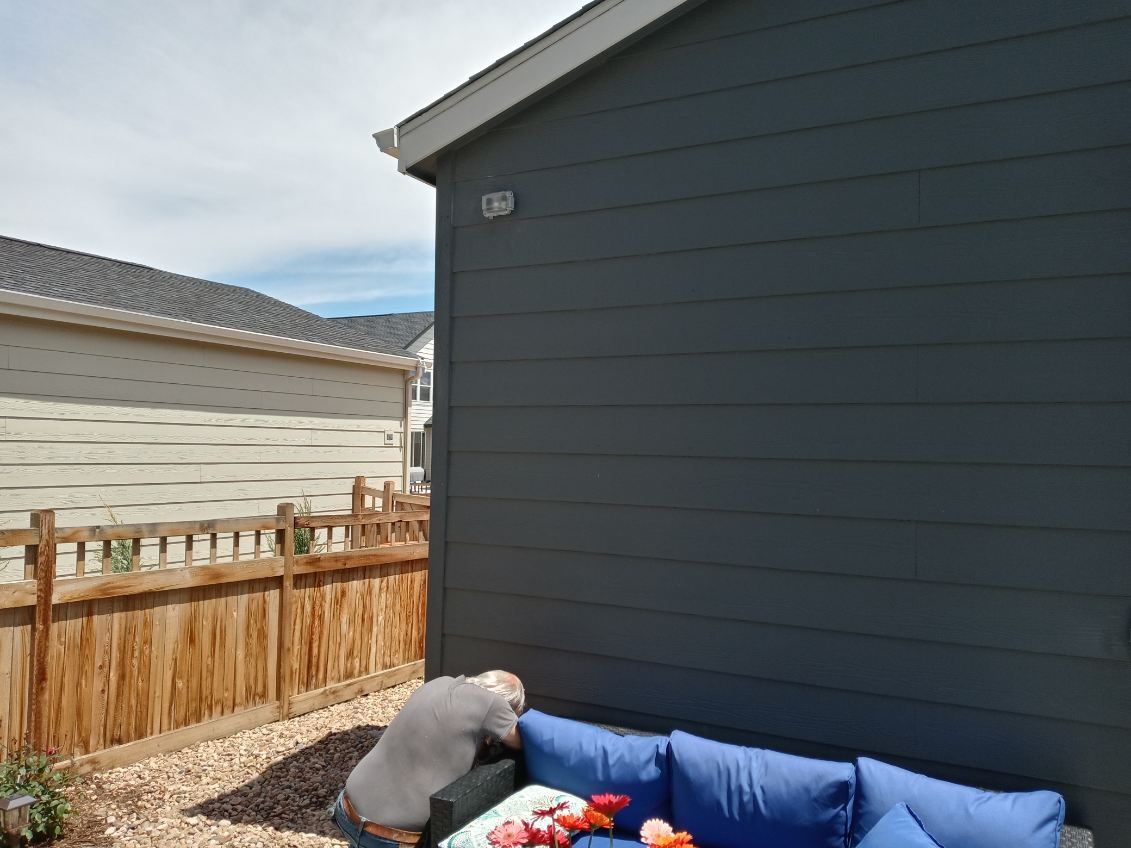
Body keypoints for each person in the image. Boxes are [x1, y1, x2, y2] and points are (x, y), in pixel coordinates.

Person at [333, 670, 526, 848]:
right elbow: (522, 742)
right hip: (390, 837)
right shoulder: (494, 705)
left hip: (346, 809)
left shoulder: (440, 682)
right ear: (509, 707)